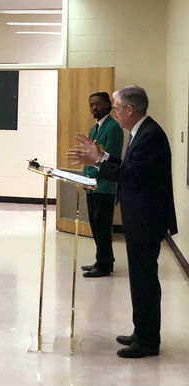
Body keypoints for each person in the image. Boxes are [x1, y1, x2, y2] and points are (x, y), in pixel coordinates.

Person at [68, 85, 177, 358]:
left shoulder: (150, 135)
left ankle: (148, 341)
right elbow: (130, 168)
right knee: (140, 280)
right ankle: (141, 332)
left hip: (147, 219)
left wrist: (99, 161)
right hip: (141, 218)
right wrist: (101, 156)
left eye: (116, 108)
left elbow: (133, 176)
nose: (115, 113)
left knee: (144, 281)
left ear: (130, 109)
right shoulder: (140, 131)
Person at [79, 92, 124, 278]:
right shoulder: (93, 129)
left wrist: (94, 173)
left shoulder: (114, 128)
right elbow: (89, 156)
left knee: (103, 227)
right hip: (92, 185)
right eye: (91, 105)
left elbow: (110, 160)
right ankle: (101, 260)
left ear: (108, 105)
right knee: (95, 225)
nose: (94, 108)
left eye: (98, 104)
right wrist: (85, 177)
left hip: (104, 186)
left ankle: (105, 265)